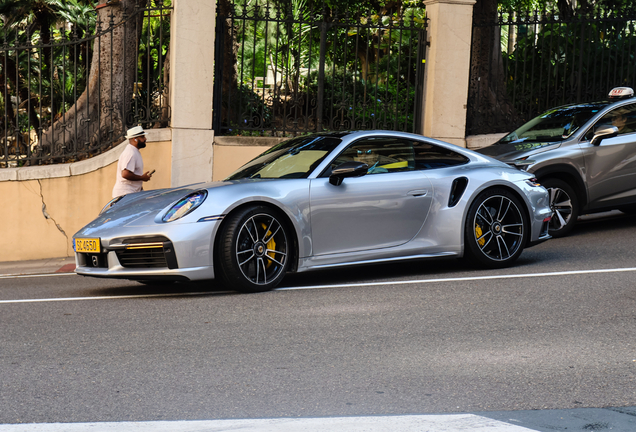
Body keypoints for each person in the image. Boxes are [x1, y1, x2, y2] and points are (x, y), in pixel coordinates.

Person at [112, 126, 153, 198]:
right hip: (125, 195)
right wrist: (142, 178)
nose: (145, 139)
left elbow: (133, 174)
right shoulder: (130, 153)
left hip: (130, 194)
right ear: (135, 139)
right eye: (142, 137)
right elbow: (125, 174)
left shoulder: (134, 151)